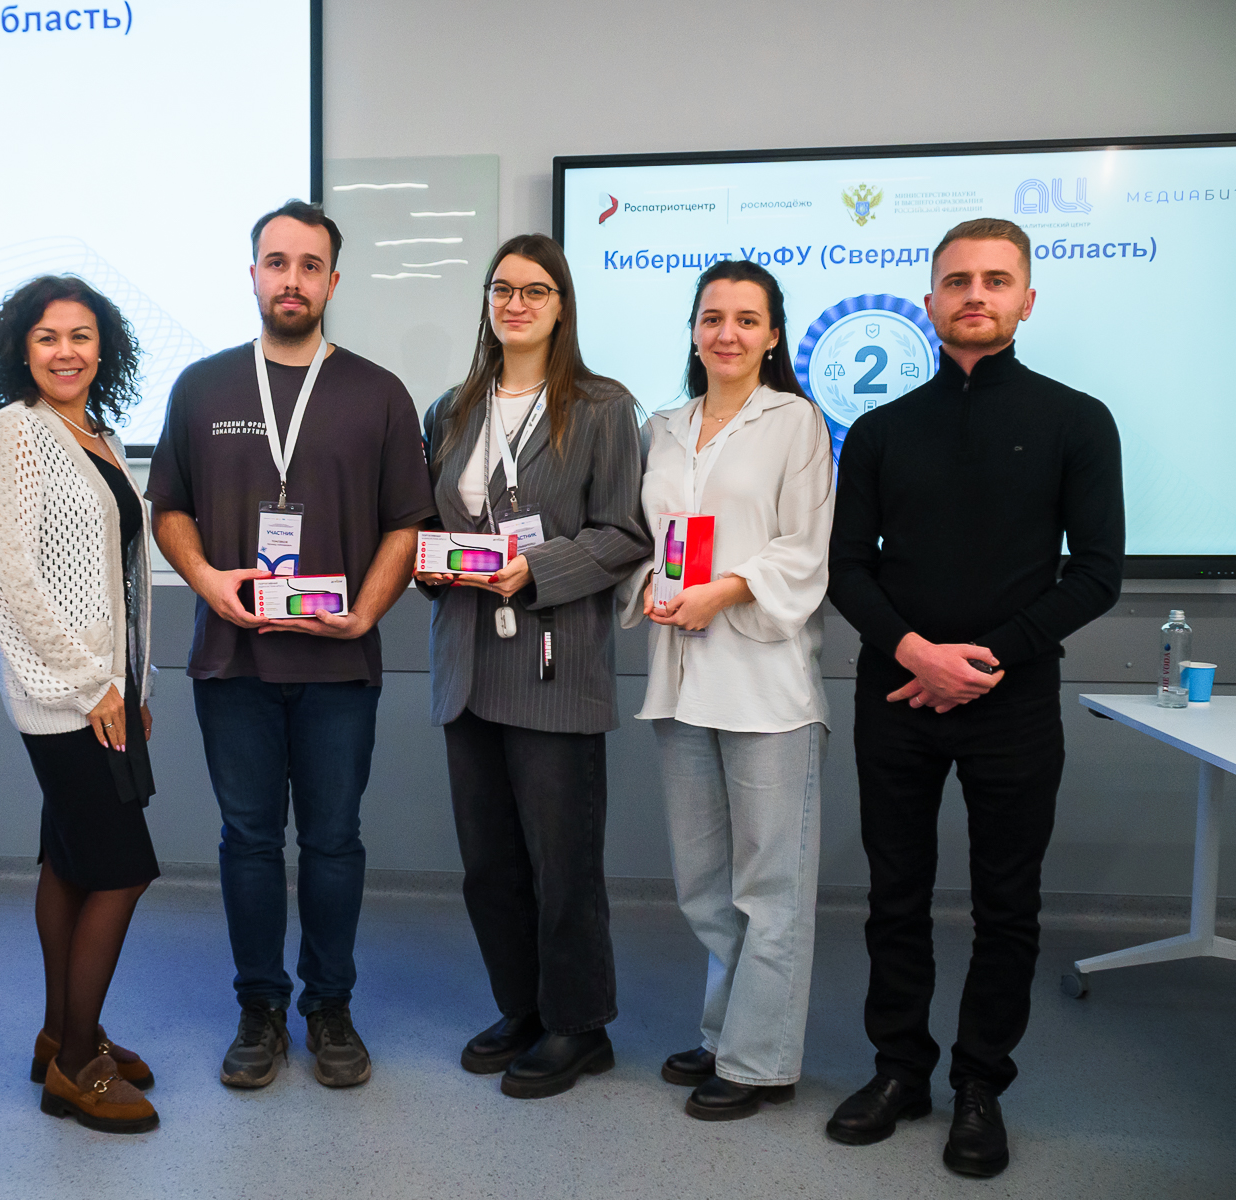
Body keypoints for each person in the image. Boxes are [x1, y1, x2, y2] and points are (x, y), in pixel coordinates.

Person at [824, 218, 1124, 1177]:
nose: (976, 295)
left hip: (1013, 704)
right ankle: (899, 1070)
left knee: (1007, 906)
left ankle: (980, 1085)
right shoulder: (879, 430)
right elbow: (846, 568)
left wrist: (981, 662)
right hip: (896, 695)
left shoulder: (1078, 419)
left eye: (996, 280)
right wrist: (919, 654)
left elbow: (1097, 574)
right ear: (930, 302)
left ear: (1027, 300)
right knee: (895, 897)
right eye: (958, 281)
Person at [146, 200, 437, 1090]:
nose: (293, 280)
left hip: (339, 665)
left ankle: (330, 1006)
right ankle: (260, 1007)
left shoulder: (378, 393)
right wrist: (209, 581)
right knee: (247, 840)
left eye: (311, 266)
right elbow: (169, 509)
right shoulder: (202, 386)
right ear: (253, 274)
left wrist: (366, 614)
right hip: (232, 662)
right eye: (277, 262)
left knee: (335, 840)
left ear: (333, 281)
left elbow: (407, 524)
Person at [417, 234, 648, 1099]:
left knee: (563, 864)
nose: (516, 304)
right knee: (489, 864)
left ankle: (579, 1025)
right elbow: (429, 523)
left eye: (535, 290)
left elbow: (623, 533)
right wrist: (433, 564)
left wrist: (534, 569)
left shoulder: (601, 408)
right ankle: (521, 1007)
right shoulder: (451, 409)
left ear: (561, 305)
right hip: (468, 662)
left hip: (555, 661)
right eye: (502, 289)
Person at [625, 260, 834, 1121]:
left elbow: (805, 546)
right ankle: (724, 1033)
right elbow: (643, 539)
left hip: (765, 686)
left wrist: (727, 589)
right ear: (693, 329)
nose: (728, 333)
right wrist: (649, 582)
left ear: (773, 335)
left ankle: (758, 1059)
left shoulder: (797, 422)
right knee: (705, 886)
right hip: (681, 680)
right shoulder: (663, 427)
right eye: (713, 317)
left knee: (770, 887)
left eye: (748, 320)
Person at [0, 275, 161, 1134]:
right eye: (47, 336)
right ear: (22, 349)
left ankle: (58, 1033)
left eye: (81, 336)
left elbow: (120, 580)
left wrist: (134, 684)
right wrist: (93, 685)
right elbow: (11, 577)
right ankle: (78, 1066)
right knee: (122, 868)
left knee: (70, 859)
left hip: (106, 691)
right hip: (65, 694)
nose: (65, 351)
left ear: (103, 348)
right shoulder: (17, 432)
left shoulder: (99, 436)